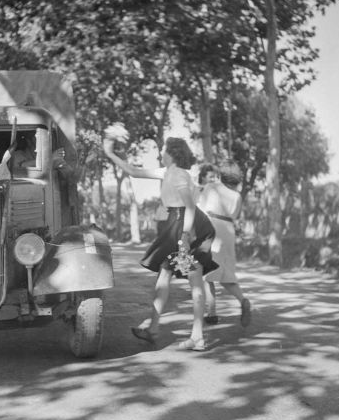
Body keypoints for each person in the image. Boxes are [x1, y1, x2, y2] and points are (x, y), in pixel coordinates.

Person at [103, 135, 218, 351]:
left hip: (185, 225)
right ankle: (154, 328)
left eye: (164, 150)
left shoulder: (179, 174)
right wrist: (110, 154)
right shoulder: (168, 172)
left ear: (173, 153)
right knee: (165, 275)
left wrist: (184, 236)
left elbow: (190, 207)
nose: (161, 154)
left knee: (193, 279)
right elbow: (134, 171)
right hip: (176, 224)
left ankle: (197, 336)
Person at [198, 160, 251, 327]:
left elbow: (200, 209)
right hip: (228, 231)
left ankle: (212, 313)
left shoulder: (211, 187)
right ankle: (243, 300)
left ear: (221, 174)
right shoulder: (237, 196)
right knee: (226, 273)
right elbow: (234, 215)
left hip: (212, 227)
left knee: (207, 273)